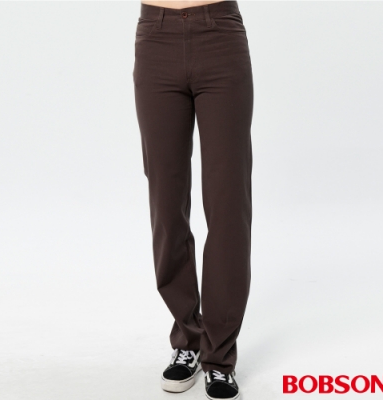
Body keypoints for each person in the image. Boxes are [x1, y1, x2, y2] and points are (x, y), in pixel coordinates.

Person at [133, 0, 253, 398]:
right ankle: (188, 340)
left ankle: (219, 356)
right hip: (156, 38)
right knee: (166, 204)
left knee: (228, 205)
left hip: (220, 36)